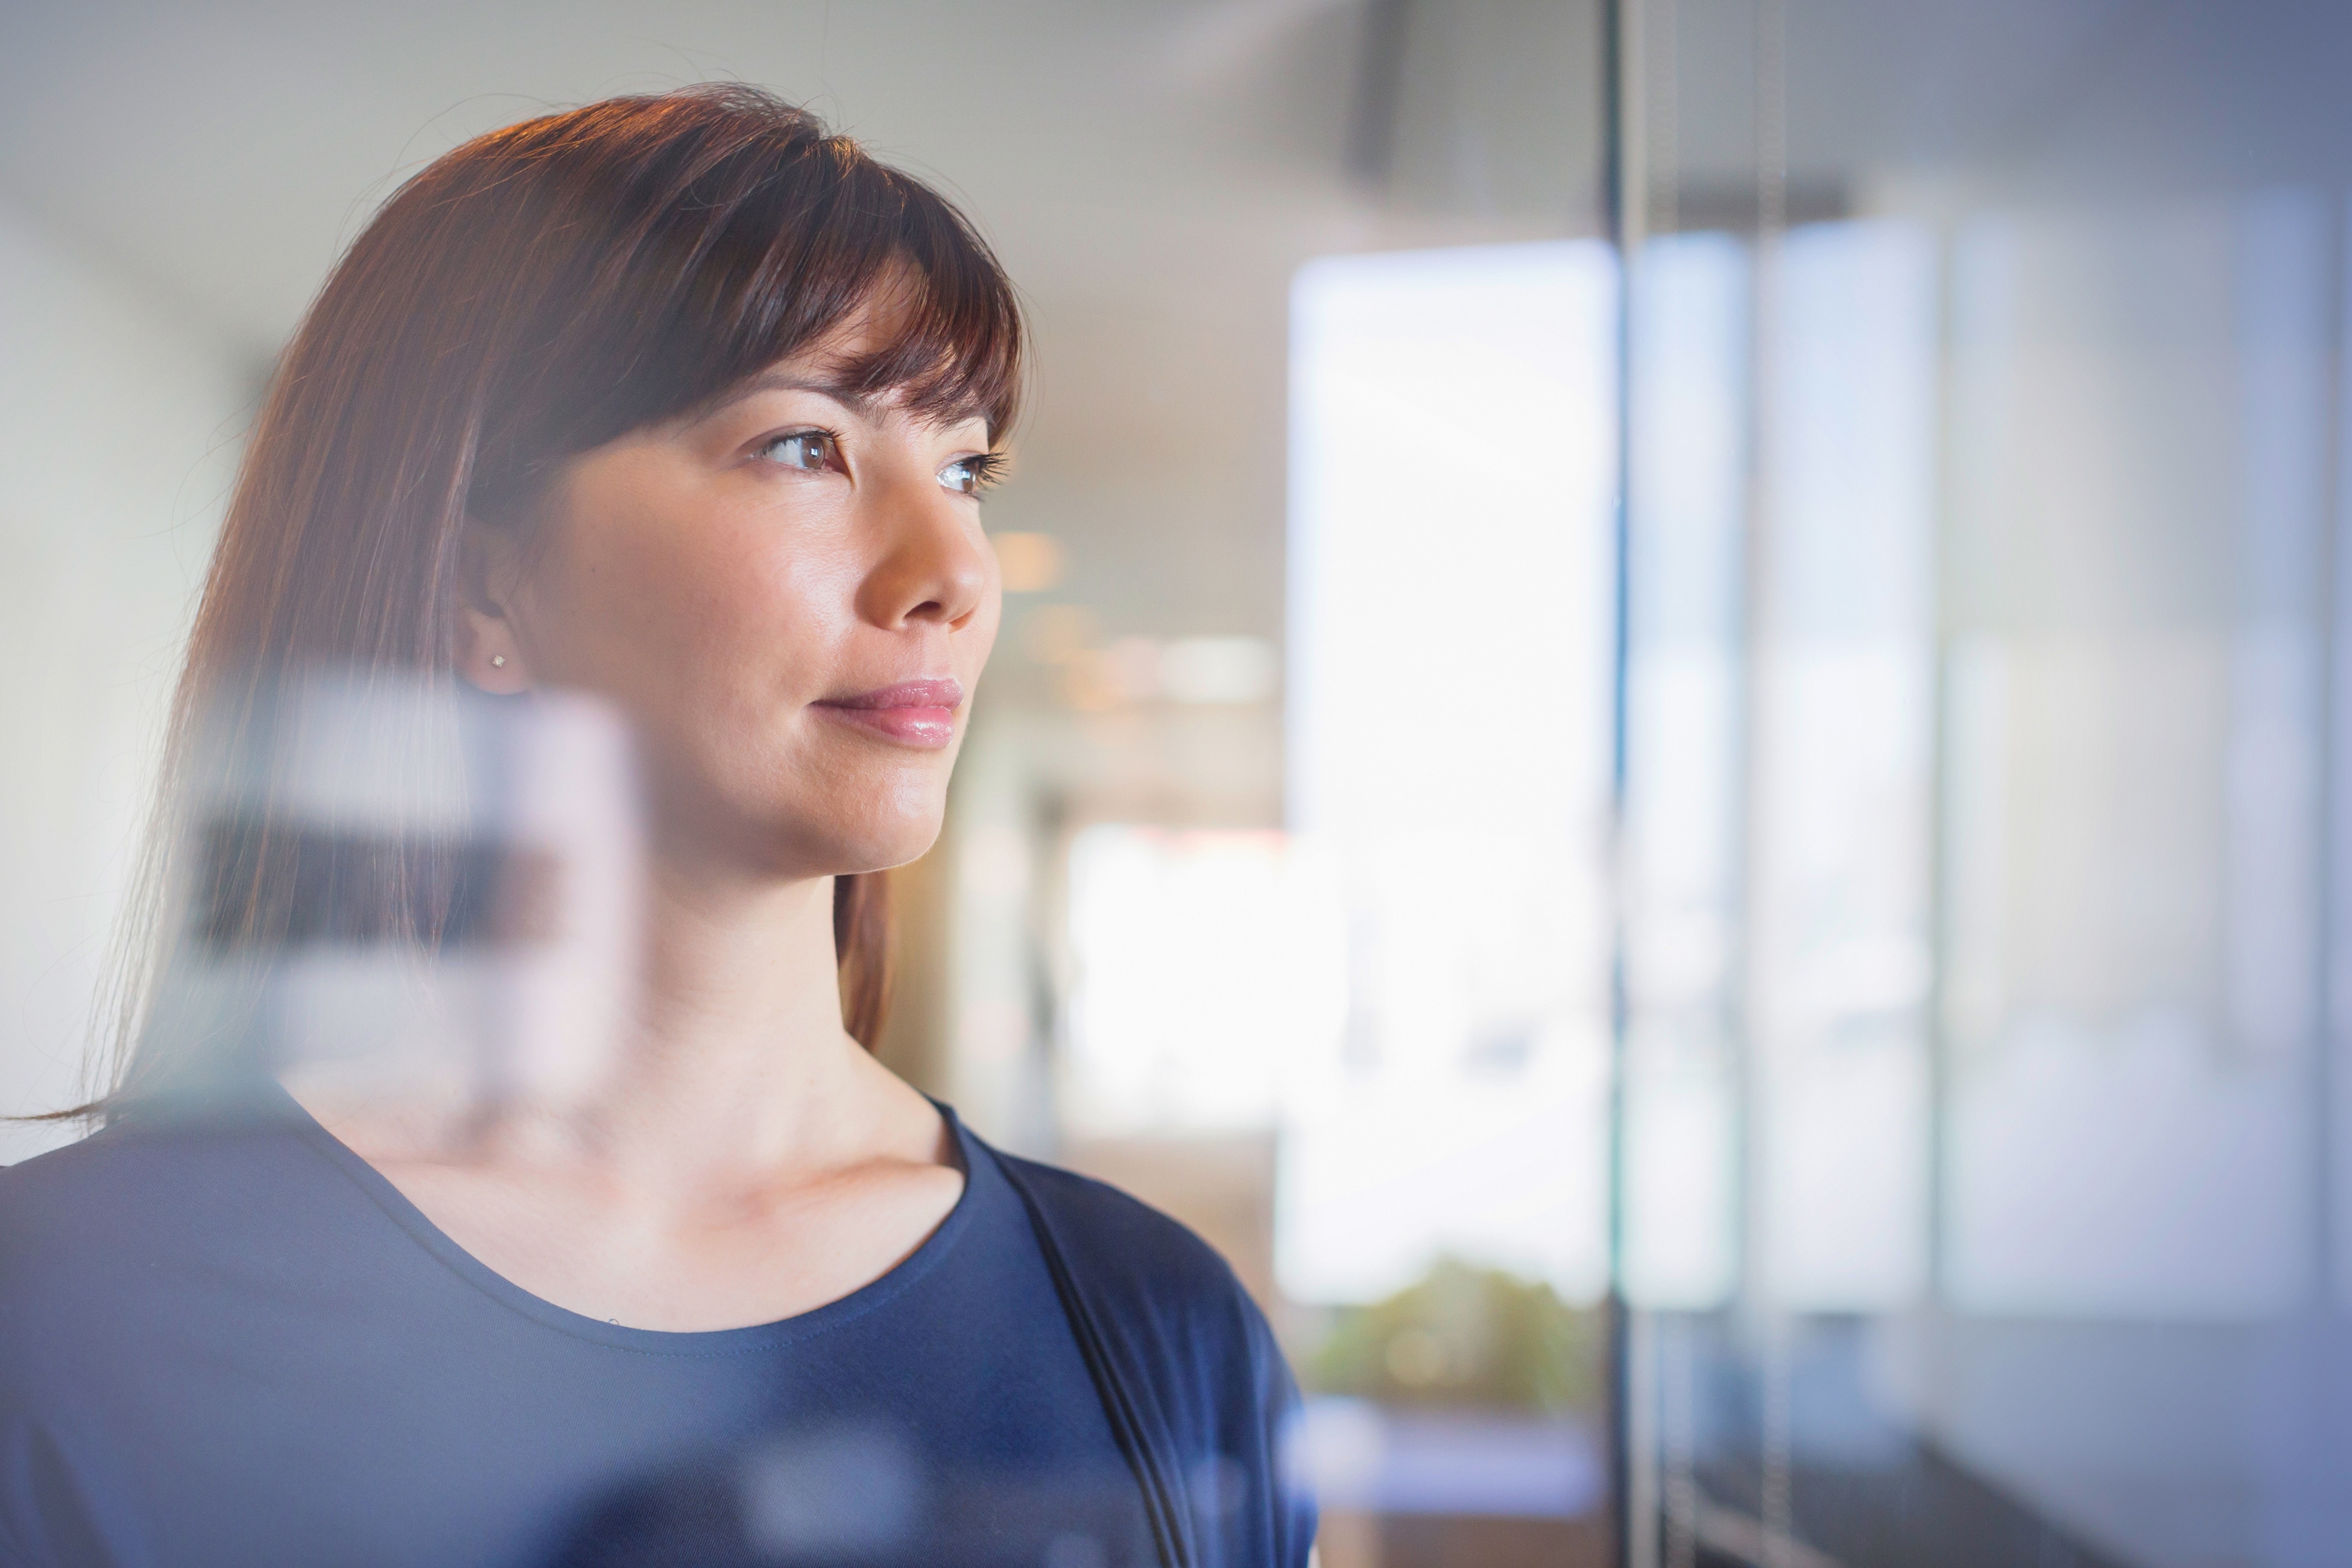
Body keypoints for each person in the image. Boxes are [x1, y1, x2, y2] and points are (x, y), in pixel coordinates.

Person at [0, 87, 1313, 1568]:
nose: (951, 569)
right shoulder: (59, 1322)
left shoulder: (1157, 1330)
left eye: (966, 468)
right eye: (805, 445)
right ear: (486, 578)